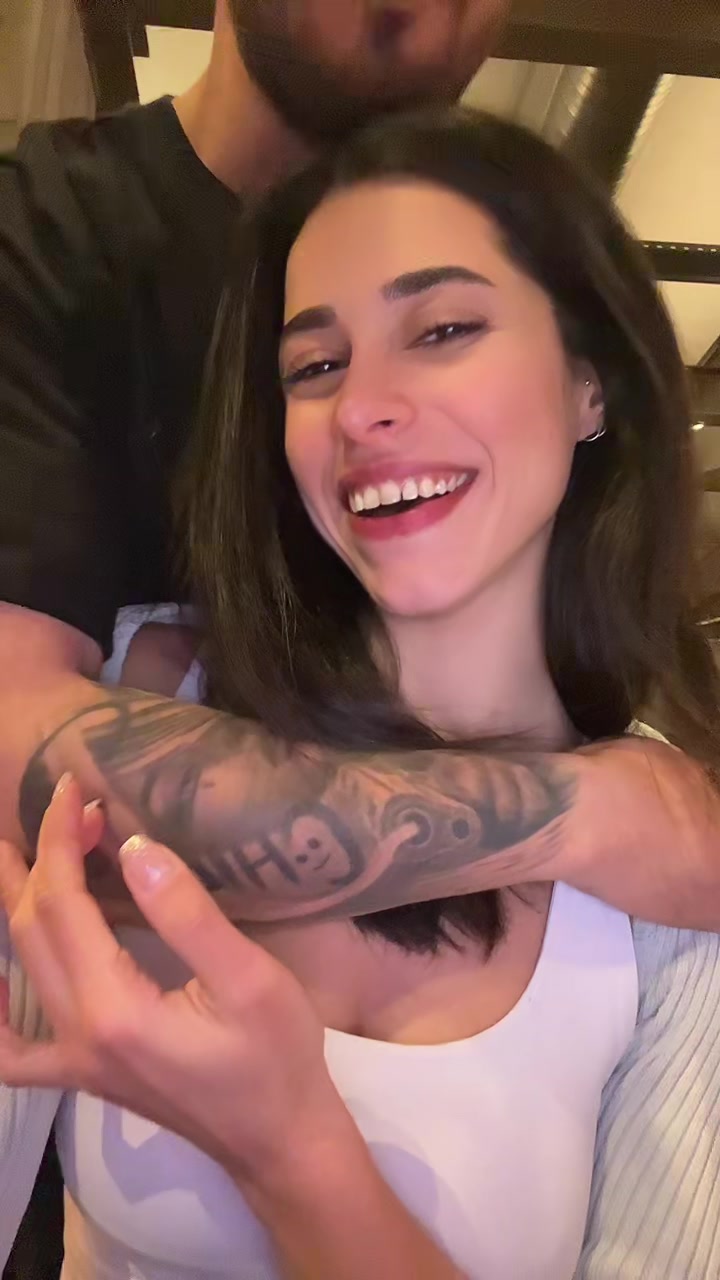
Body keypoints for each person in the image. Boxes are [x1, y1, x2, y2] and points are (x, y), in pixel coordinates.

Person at [1, 0, 719, 1270]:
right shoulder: (151, 683)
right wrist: (569, 812)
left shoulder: (677, 879)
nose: (363, 409)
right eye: (314, 366)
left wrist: (291, 1149)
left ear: (591, 381)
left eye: (443, 330)